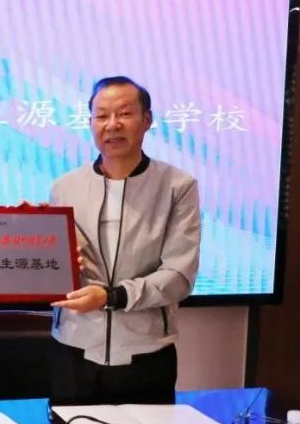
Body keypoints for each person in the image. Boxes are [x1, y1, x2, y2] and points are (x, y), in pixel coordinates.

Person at [48, 75, 201, 406]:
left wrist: (112, 296)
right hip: (74, 350)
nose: (112, 125)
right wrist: (27, 230)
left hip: (146, 354)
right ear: (90, 123)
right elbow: (55, 264)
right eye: (102, 116)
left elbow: (179, 275)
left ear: (147, 120)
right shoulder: (65, 187)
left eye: (125, 114)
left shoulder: (177, 187)